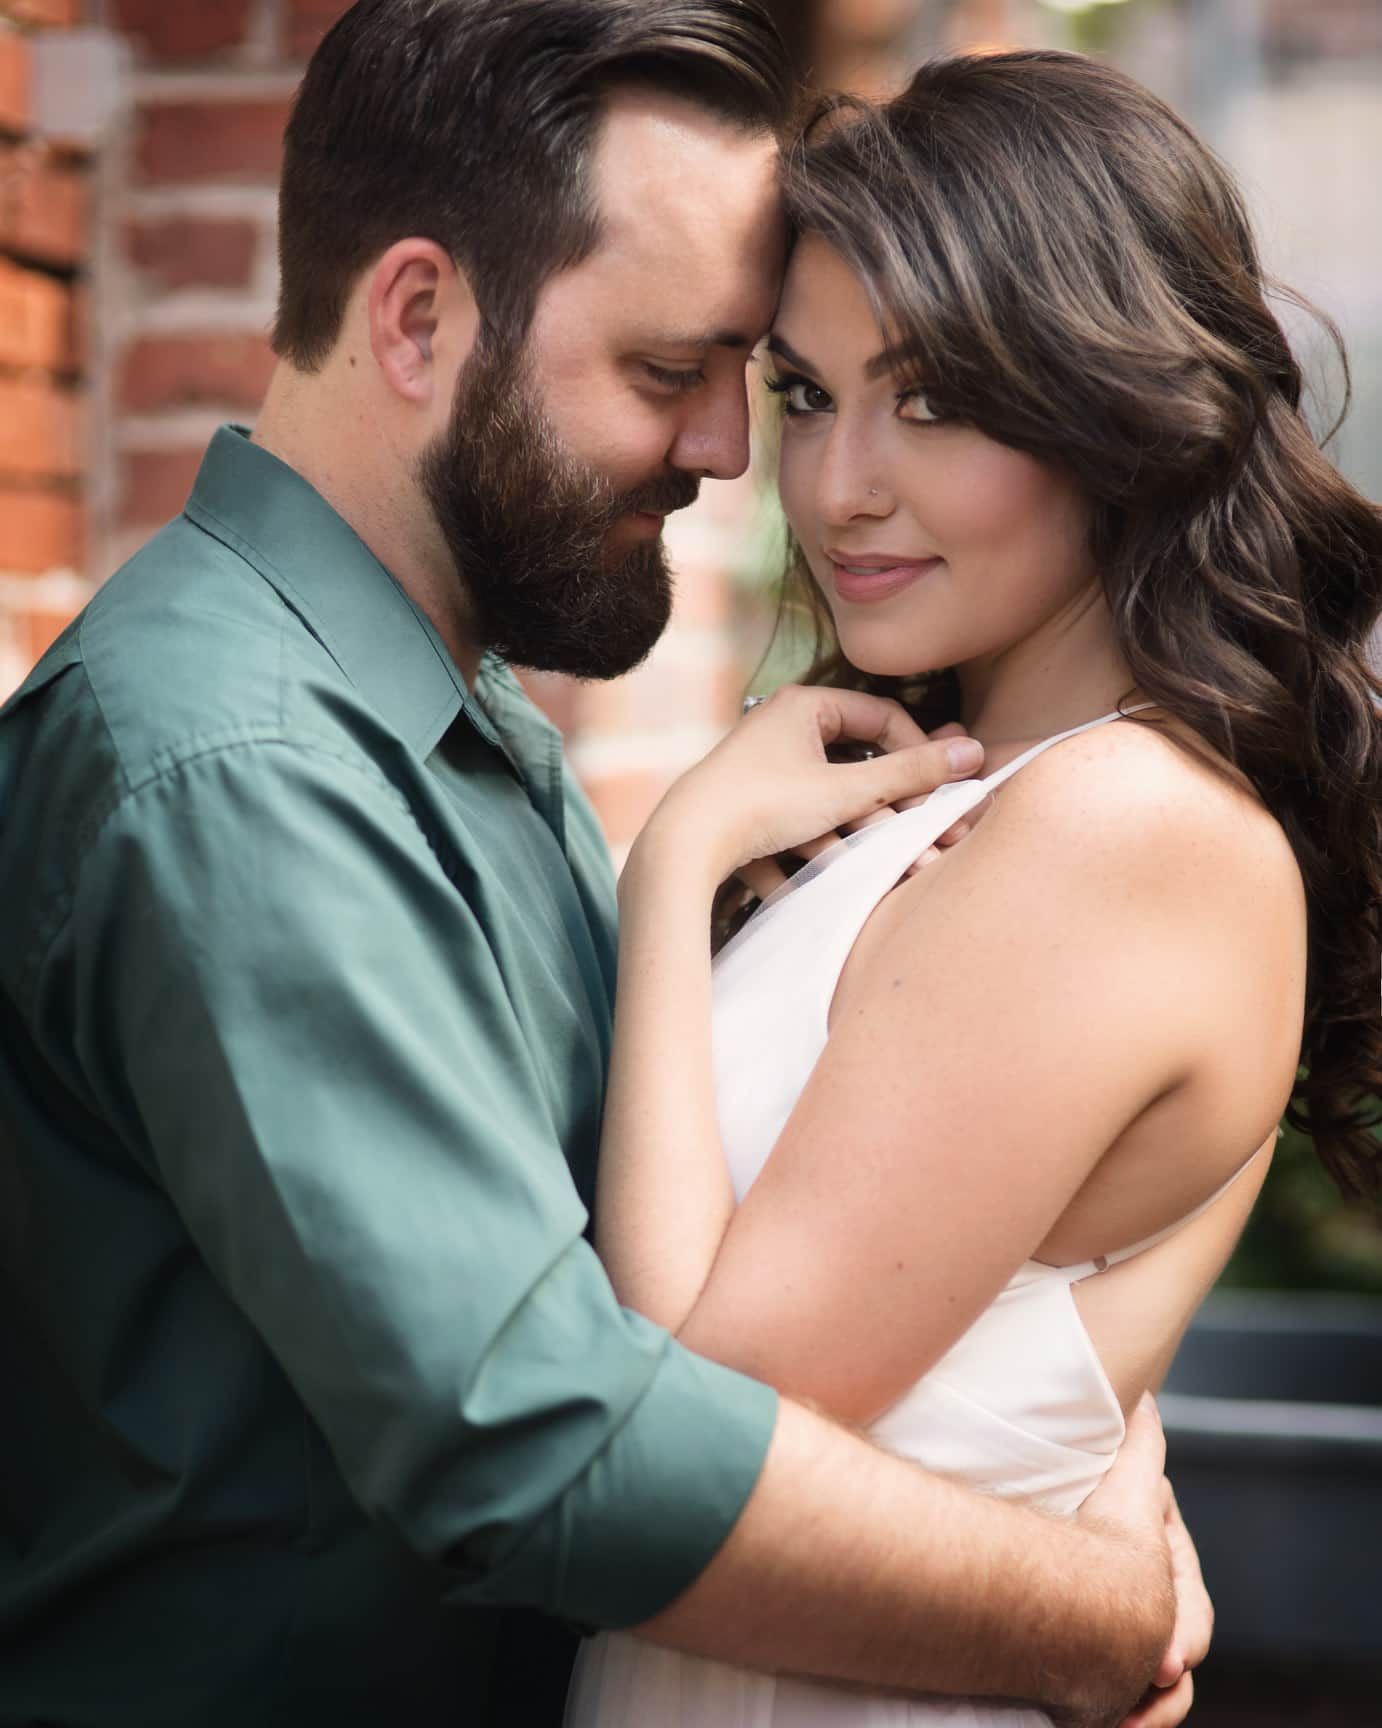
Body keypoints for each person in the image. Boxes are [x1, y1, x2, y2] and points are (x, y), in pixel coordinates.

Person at [0, 9, 1207, 1727]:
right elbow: (537, 1442)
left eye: (747, 376)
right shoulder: (234, 766)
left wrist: (1075, 1444)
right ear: (418, 318)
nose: (734, 452)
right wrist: (1081, 1613)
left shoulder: (452, 716)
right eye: (670, 372)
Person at [565, 47, 1382, 1728]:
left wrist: (668, 886)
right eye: (807, 393)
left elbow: (680, 1423)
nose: (838, 483)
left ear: (1112, 407)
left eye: (932, 398)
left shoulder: (1120, 829)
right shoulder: (966, 803)